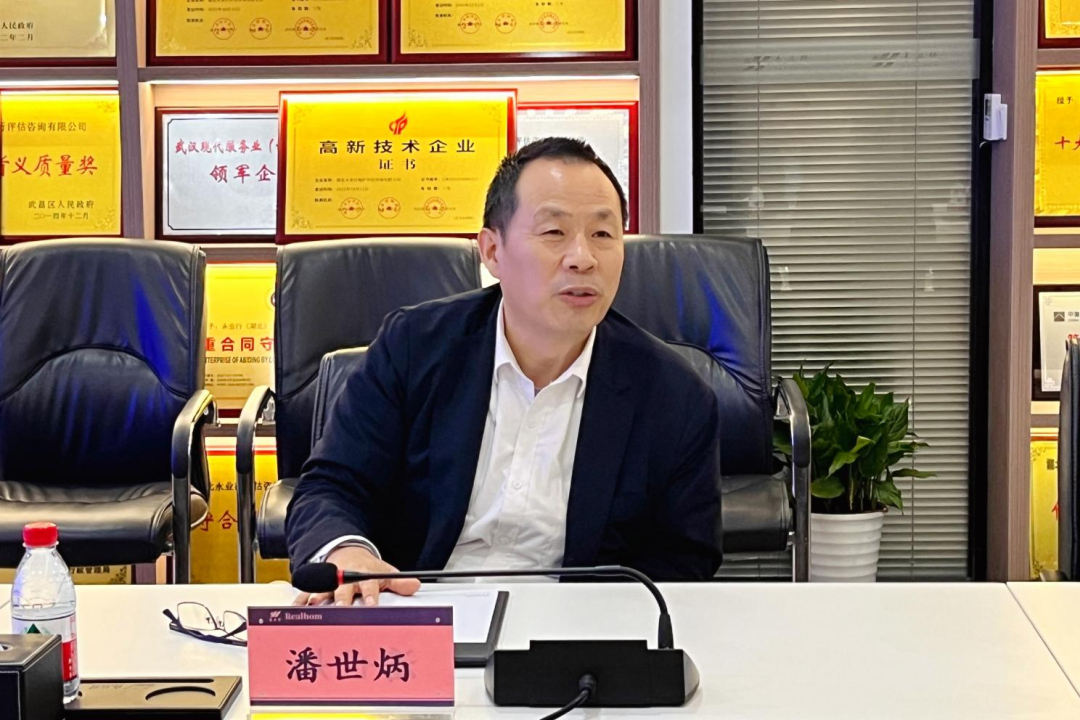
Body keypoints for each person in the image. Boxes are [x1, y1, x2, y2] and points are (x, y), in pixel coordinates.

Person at [288, 137, 721, 607]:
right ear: (493, 250)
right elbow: (332, 486)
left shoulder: (674, 395)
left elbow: (684, 558)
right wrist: (350, 553)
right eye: (554, 232)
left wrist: (595, 624)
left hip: (573, 627)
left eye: (603, 234)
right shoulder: (413, 347)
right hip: (418, 612)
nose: (583, 257)